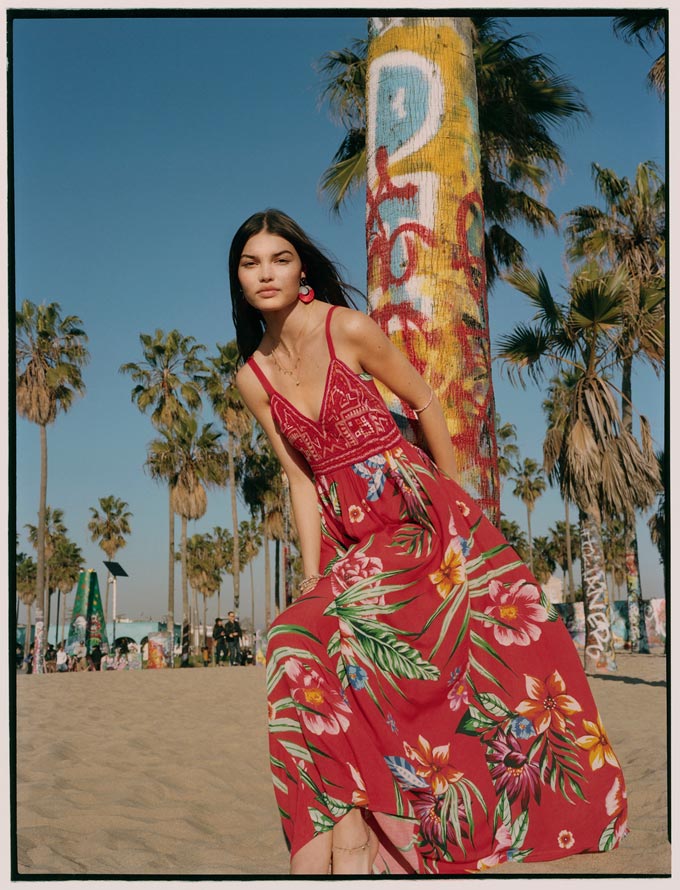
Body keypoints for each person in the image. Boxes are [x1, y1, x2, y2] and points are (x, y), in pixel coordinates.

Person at [231, 209, 628, 876]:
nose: (265, 272)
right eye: (250, 263)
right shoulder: (254, 376)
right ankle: (342, 833)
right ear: (238, 279)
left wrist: (454, 503)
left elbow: (423, 402)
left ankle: (363, 837)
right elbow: (299, 477)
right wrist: (310, 571)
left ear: (302, 271)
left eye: (278, 259)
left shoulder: (345, 327)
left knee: (337, 632)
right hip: (344, 532)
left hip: (413, 515)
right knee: (293, 640)